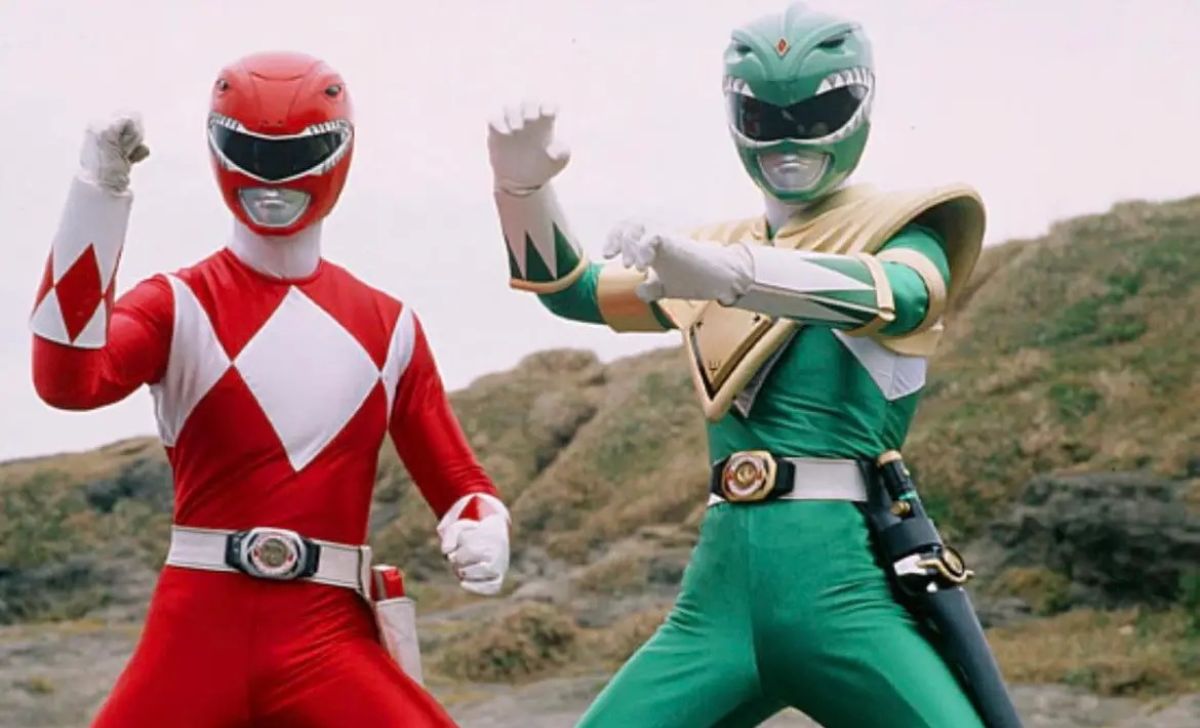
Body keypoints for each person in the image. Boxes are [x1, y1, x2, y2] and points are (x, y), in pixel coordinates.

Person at [486, 3, 994, 727]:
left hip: (843, 586)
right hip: (717, 596)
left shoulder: (897, 228)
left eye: (817, 113)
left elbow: (905, 295)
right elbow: (575, 293)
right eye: (765, 117)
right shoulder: (707, 247)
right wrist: (523, 193)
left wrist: (733, 274)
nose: (790, 138)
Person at [31, 51, 509, 728]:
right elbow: (67, 383)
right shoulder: (178, 304)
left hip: (325, 635)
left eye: (297, 155)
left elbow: (460, 483)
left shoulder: (389, 327)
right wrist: (97, 196)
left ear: (340, 151)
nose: (272, 179)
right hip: (198, 631)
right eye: (250, 152)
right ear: (217, 149)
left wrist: (483, 525)